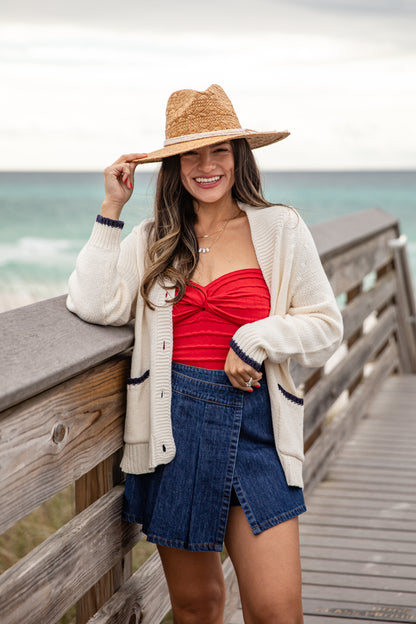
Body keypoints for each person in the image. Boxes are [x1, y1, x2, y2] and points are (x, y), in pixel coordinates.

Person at [67, 84, 343, 624]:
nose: (206, 165)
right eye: (190, 153)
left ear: (240, 158)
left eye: (220, 150)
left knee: (277, 611)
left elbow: (326, 325)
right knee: (198, 607)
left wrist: (255, 337)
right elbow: (95, 302)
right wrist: (111, 208)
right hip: (176, 427)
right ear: (173, 165)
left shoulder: (280, 228)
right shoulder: (153, 239)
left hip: (257, 424)